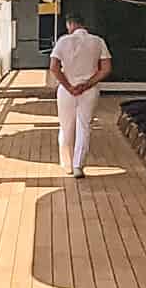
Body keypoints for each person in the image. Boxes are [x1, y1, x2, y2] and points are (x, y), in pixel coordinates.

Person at [48, 14, 112, 178]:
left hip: (66, 90)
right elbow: (105, 69)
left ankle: (67, 165)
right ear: (84, 24)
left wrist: (69, 86)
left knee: (66, 127)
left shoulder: (63, 41)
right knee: (84, 126)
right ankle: (78, 166)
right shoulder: (98, 41)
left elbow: (54, 67)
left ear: (70, 25)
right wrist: (87, 84)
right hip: (89, 91)